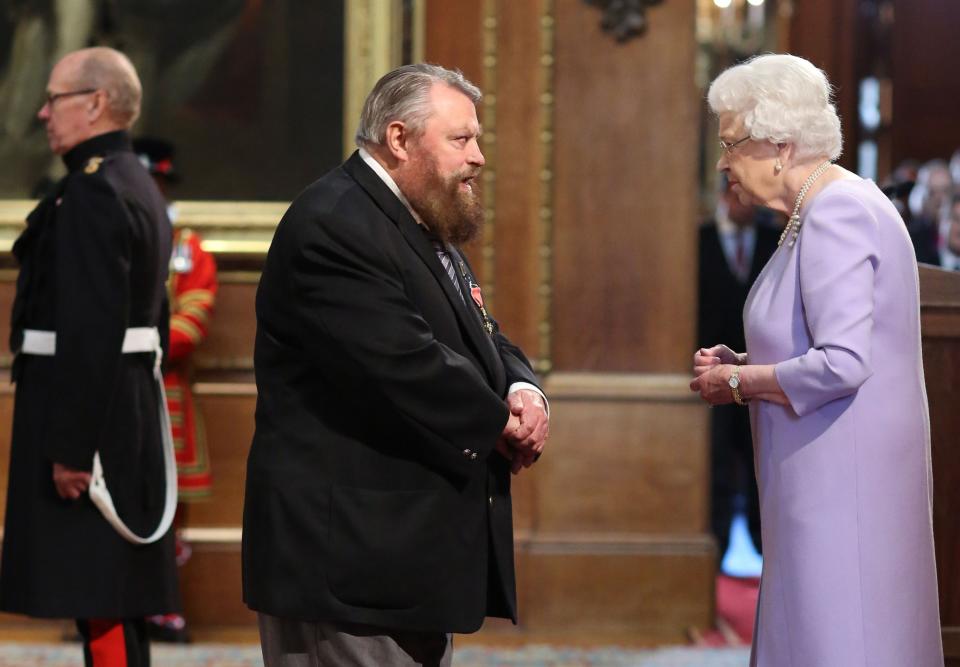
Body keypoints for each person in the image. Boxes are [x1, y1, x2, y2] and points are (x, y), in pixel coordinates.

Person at [242, 63, 549, 667]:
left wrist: (524, 388)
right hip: (347, 564)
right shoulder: (336, 223)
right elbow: (401, 363)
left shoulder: (414, 222)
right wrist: (499, 423)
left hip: (398, 559)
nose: (479, 156)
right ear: (400, 139)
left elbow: (482, 333)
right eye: (461, 139)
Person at [690, 54, 943, 666]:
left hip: (843, 478)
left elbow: (844, 361)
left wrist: (740, 380)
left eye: (730, 144)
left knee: (841, 638)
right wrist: (746, 359)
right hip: (818, 466)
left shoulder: (838, 210)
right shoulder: (810, 212)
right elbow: (816, 341)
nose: (722, 162)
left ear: (778, 144)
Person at [0, 47, 180, 666]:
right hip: (119, 404)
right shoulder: (131, 181)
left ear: (96, 103)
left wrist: (72, 449)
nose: (43, 113)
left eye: (55, 99)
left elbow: (91, 327)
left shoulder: (93, 191)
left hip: (87, 417)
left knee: (99, 592)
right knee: (106, 594)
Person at [134, 138, 218, 643]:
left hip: (166, 395)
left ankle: (163, 607)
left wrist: (132, 344)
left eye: (155, 183)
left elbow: (193, 319)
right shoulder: (104, 236)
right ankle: (111, 604)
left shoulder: (187, 247)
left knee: (169, 510)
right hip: (107, 396)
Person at [697, 179, 778, 563]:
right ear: (723, 197)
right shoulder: (701, 239)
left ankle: (766, 548)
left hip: (759, 373)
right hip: (709, 373)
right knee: (716, 469)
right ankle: (717, 548)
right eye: (737, 195)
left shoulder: (773, 239)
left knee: (759, 465)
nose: (745, 204)